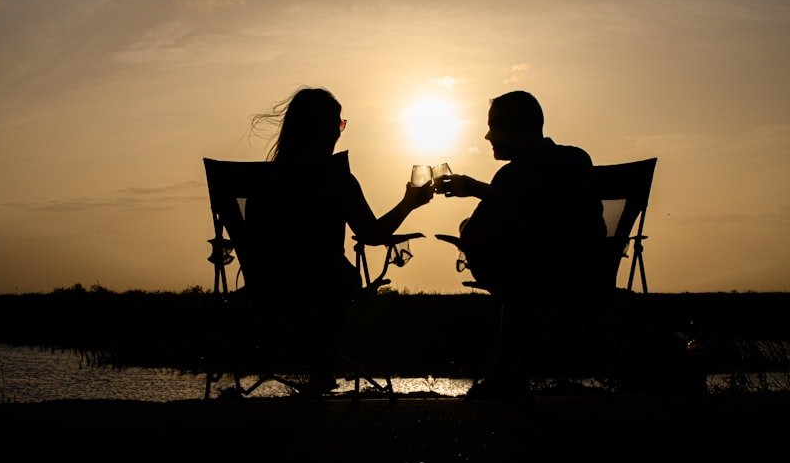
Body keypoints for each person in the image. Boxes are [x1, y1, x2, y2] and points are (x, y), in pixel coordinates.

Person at [244, 86, 434, 394]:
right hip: (325, 284)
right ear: (323, 130)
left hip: (268, 282)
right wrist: (408, 204)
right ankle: (322, 368)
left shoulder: (261, 181)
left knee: (325, 277)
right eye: (338, 124)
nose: (339, 132)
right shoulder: (335, 178)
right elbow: (372, 235)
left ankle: (314, 364)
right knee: (341, 277)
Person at [434, 90, 608, 399]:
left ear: (516, 129)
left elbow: (476, 234)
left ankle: (506, 376)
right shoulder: (577, 160)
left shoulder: (512, 175)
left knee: (510, 277)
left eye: (494, 127)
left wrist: (465, 227)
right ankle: (509, 375)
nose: (488, 136)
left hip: (538, 282)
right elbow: (541, 204)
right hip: (590, 275)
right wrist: (478, 189)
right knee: (521, 267)